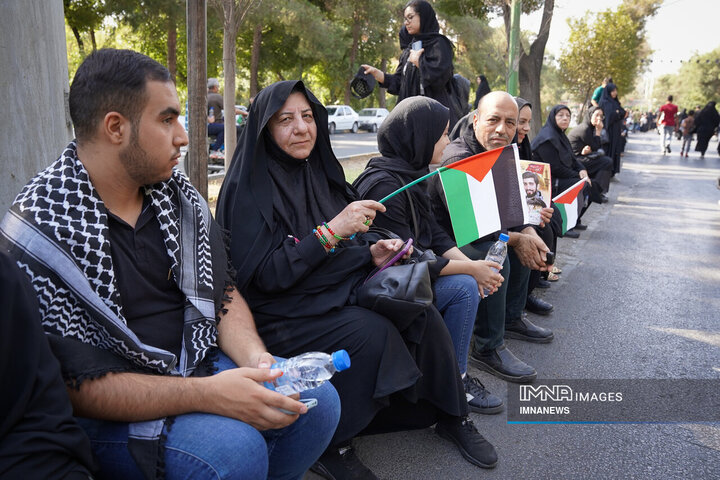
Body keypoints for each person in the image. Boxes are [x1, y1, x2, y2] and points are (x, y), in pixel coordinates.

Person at [0, 49, 341, 480]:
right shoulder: (43, 224)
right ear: (115, 128)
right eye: (167, 120)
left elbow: (223, 290)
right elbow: (75, 387)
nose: (183, 136)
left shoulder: (176, 194)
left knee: (316, 404)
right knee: (235, 452)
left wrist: (259, 363)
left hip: (196, 362)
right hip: (110, 406)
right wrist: (208, 395)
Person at [216, 80, 499, 479]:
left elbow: (349, 243)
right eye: (285, 120)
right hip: (284, 312)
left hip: (334, 289)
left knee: (420, 311)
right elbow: (266, 276)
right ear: (265, 129)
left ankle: (451, 414)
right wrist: (332, 231)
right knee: (371, 332)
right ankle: (331, 442)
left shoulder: (320, 173)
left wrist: (370, 251)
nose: (301, 128)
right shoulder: (248, 190)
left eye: (307, 116)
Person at [352, 96, 505, 415]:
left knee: (470, 272)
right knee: (463, 287)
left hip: (409, 273)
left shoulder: (411, 172)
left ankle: (447, 371)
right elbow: (405, 258)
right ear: (418, 137)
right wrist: (471, 270)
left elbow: (432, 233)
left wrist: (474, 264)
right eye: (442, 134)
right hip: (381, 285)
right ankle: (455, 380)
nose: (447, 141)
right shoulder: (384, 185)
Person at [429, 91, 554, 385]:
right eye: (493, 120)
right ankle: (486, 347)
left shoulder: (504, 152)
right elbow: (475, 226)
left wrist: (529, 231)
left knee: (526, 239)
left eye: (510, 123)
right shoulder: (458, 157)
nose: (502, 129)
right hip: (449, 239)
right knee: (496, 251)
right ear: (475, 120)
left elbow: (513, 207)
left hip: (480, 229)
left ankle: (511, 317)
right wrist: (516, 238)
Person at [0, 251, 96, 479]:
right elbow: (82, 382)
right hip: (108, 415)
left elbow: (40, 428)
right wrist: (195, 392)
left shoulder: (5, 278)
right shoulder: (39, 236)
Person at [361, 1, 462, 127]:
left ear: (423, 16)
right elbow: (399, 83)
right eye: (405, 19)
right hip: (410, 119)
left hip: (435, 119)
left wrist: (419, 62)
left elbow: (440, 79)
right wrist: (378, 74)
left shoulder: (439, 44)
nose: (406, 22)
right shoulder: (410, 49)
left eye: (410, 17)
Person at [567, 106, 614, 204]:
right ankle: (597, 191)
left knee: (605, 160)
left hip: (581, 156)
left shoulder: (589, 127)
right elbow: (596, 146)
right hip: (574, 160)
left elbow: (592, 147)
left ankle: (597, 190)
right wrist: (598, 131)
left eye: (601, 116)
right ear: (590, 115)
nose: (599, 118)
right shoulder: (585, 128)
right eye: (597, 115)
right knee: (606, 162)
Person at [598, 82, 626, 175]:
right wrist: (617, 113)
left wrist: (618, 113)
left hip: (615, 131)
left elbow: (622, 112)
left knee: (615, 150)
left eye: (615, 91)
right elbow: (610, 116)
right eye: (613, 91)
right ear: (608, 91)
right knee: (609, 149)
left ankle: (612, 171)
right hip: (608, 131)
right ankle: (606, 171)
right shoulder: (605, 102)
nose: (615, 93)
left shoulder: (614, 102)